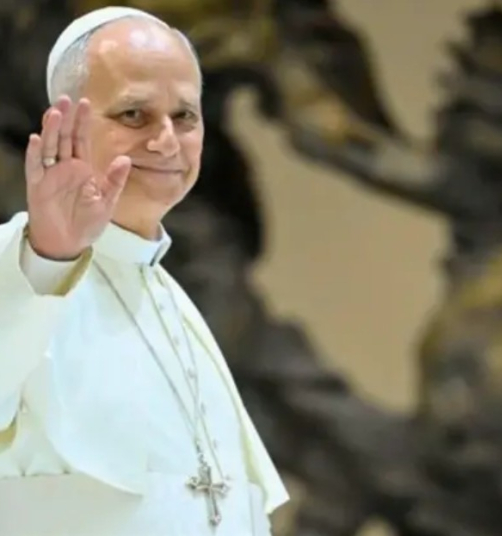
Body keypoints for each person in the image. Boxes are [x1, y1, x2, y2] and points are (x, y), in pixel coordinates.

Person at [0, 5, 288, 535]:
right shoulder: (20, 267)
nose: (166, 141)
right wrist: (48, 258)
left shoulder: (173, 301)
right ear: (64, 123)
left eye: (185, 116)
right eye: (133, 114)